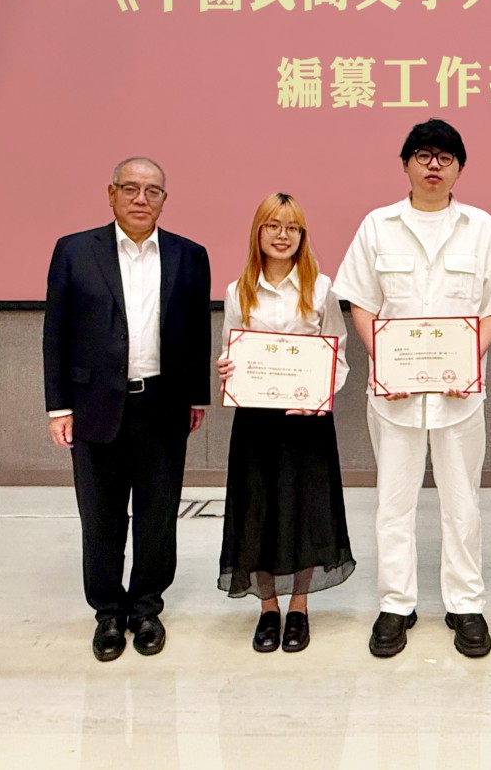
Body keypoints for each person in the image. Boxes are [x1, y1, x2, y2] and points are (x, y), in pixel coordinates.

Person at [333, 118, 491, 659]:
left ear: (460, 167)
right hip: (394, 396)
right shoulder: (378, 226)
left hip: (459, 396)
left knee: (463, 505)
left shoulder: (481, 228)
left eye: (445, 157)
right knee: (393, 505)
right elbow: (361, 301)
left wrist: (467, 358)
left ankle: (465, 603)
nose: (434, 165)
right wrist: (385, 359)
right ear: (406, 164)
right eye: (423, 155)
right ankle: (396, 604)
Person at [43, 157, 211, 662]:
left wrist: (196, 395)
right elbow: (56, 333)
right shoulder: (75, 251)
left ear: (164, 200)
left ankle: (146, 608)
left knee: (158, 515)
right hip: (95, 405)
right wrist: (58, 407)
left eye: (153, 191)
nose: (142, 198)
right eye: (131, 188)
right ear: (111, 193)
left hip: (162, 403)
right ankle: (108, 613)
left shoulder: (189, 255)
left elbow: (197, 331)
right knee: (101, 517)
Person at [215, 193, 354, 654]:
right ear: (258, 232)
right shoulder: (238, 290)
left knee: (306, 511)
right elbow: (230, 350)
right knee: (257, 510)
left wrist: (321, 395)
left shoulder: (321, 288)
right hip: (255, 422)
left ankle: (299, 607)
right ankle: (267, 609)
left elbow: (337, 352)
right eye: (273, 225)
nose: (282, 235)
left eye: (292, 227)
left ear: (302, 236)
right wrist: (226, 367)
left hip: (306, 422)